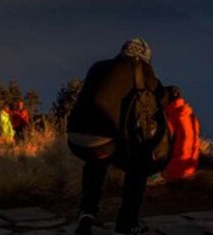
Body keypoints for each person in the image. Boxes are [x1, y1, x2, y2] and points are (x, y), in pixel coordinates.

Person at [66, 38, 167, 235]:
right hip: (105, 141)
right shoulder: (141, 69)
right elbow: (159, 97)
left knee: (95, 162)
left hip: (75, 138)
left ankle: (87, 214)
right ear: (145, 56)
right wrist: (171, 93)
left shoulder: (98, 66)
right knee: (138, 165)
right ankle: (127, 223)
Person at [161, 86, 200, 182]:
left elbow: (161, 144)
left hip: (173, 171)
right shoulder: (190, 116)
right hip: (191, 168)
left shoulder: (170, 118)